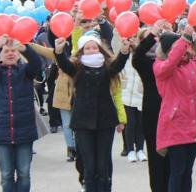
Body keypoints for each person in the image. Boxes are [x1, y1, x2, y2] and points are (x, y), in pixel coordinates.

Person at [54, 31, 129, 192]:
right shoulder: (76, 67)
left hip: (105, 120)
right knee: (89, 165)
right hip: (83, 121)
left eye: (94, 47)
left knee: (103, 165)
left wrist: (123, 51)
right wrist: (59, 51)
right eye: (87, 48)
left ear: (100, 49)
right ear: (81, 51)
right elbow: (64, 64)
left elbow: (118, 65)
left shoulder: (107, 66)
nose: (91, 50)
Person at [153, 27, 196, 192]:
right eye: (180, 45)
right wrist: (184, 39)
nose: (185, 48)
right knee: (177, 171)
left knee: (188, 172)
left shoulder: (193, 65)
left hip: (192, 125)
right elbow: (171, 61)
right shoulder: (161, 67)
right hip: (175, 126)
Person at [0, 36, 42, 192]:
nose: (10, 54)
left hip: (24, 131)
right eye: (6, 51)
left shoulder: (25, 71)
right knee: (6, 174)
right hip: (2, 133)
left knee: (24, 174)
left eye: (13, 51)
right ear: (0, 56)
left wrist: (25, 48)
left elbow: (37, 64)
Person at [133, 21, 172, 191]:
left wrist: (171, 35)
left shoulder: (173, 65)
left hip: (173, 117)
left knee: (174, 163)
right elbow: (137, 56)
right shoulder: (147, 65)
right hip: (153, 117)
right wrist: (152, 34)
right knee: (156, 162)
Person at [121, 31, 146, 163]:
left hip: (140, 93)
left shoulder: (143, 54)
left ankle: (141, 149)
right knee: (130, 123)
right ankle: (130, 149)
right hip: (126, 93)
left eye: (134, 38)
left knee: (141, 123)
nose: (132, 41)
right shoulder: (123, 54)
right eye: (129, 38)